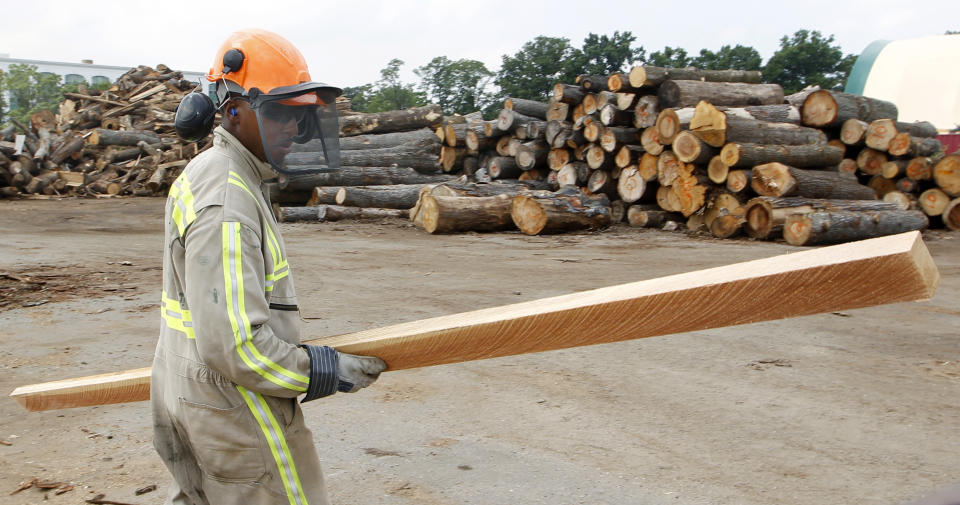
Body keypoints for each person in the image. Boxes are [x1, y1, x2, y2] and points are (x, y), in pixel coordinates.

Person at [151, 28, 387, 505]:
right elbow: (237, 348)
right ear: (233, 109)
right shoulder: (227, 199)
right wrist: (322, 369)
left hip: (189, 386)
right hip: (235, 407)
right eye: (281, 114)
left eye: (299, 117)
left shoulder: (214, 173)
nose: (292, 130)